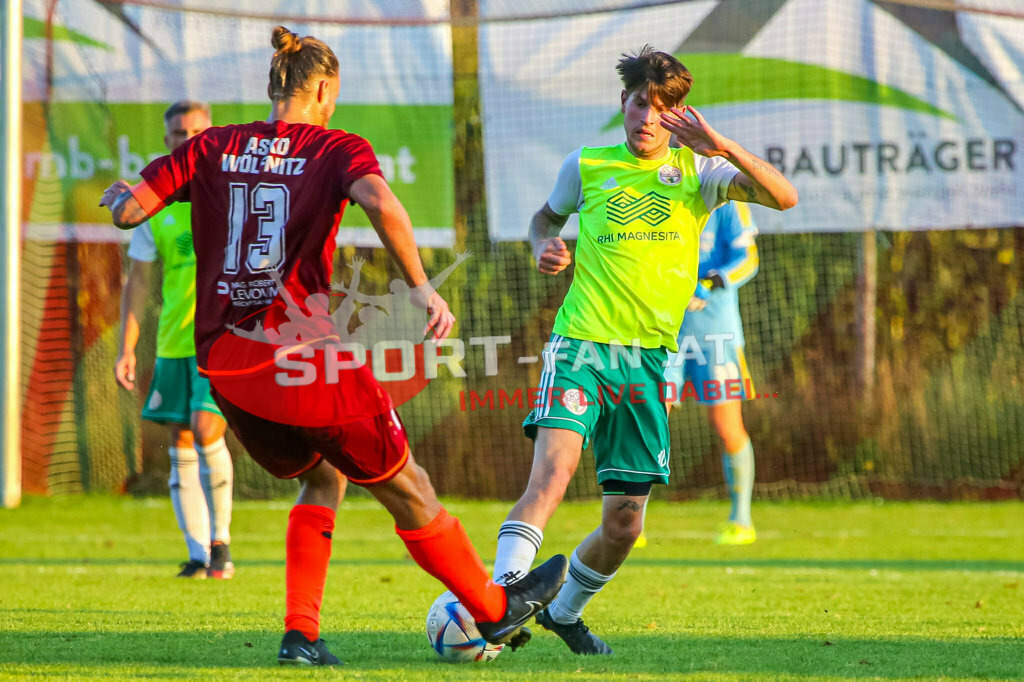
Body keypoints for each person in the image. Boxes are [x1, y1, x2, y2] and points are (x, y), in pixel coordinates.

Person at [100, 26, 566, 666]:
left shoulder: (210, 146)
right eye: (334, 94)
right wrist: (422, 288)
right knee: (410, 485)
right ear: (321, 89)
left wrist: (121, 200)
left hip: (227, 368)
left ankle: (301, 636)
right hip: (300, 357)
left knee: (323, 478)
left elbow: (128, 212)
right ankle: (493, 608)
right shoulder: (334, 147)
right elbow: (381, 201)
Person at [490, 45, 797, 655]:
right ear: (623, 103)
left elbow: (784, 197)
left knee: (625, 523)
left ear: (679, 114)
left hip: (648, 362)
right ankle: (497, 604)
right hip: (581, 345)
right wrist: (541, 246)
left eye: (662, 109)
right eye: (639, 104)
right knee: (552, 475)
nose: (648, 119)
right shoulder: (587, 163)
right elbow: (543, 221)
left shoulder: (701, 174)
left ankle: (565, 613)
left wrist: (721, 146)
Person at [115, 100, 236, 579]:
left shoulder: (227, 191)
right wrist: (126, 347)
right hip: (173, 341)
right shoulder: (155, 205)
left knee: (206, 428)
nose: (186, 141)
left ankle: (221, 543)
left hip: (220, 338)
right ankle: (197, 554)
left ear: (211, 136)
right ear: (167, 142)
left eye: (195, 133)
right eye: (178, 134)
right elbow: (139, 280)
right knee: (181, 437)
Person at [664, 200, 760, 545]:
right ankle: (629, 522)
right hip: (662, 334)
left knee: (726, 426)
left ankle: (741, 521)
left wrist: (711, 280)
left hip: (717, 336)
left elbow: (748, 259)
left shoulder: (729, 201)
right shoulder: (657, 191)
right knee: (648, 420)